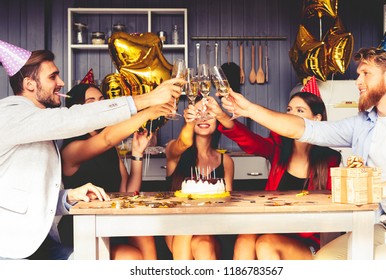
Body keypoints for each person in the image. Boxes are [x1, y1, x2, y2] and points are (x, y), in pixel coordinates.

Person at [220, 47, 386, 260]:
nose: (358, 81)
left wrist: (367, 190)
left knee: (381, 265)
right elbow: (306, 129)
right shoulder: (363, 123)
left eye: (366, 73)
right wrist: (249, 109)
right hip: (385, 224)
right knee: (324, 261)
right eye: (358, 74)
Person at [0, 41, 183, 259]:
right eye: (53, 77)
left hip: (39, 241)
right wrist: (148, 100)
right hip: (11, 245)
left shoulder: (36, 124)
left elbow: (26, 195)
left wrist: (68, 197)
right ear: (29, 84)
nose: (61, 82)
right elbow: (75, 118)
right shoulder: (10, 115)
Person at [207, 91, 342, 260]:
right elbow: (249, 140)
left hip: (309, 243)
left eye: (300, 111)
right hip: (273, 228)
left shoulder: (331, 159)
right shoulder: (278, 148)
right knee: (245, 239)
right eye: (289, 110)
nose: (291, 115)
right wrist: (221, 115)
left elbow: (334, 217)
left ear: (317, 119)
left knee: (265, 243)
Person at [59, 83, 172, 260]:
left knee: (145, 236)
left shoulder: (110, 148)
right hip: (84, 227)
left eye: (102, 101)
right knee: (133, 257)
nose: (100, 106)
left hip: (110, 221)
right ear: (77, 110)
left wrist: (137, 154)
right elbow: (106, 139)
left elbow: (126, 192)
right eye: (91, 101)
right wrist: (150, 112)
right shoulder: (71, 150)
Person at [164, 100, 234, 260]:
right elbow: (183, 142)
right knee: (187, 227)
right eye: (198, 114)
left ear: (217, 119)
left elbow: (228, 203)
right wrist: (189, 124)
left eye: (208, 113)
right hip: (177, 225)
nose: (203, 118)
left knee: (204, 245)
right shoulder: (174, 151)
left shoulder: (226, 161)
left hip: (212, 227)